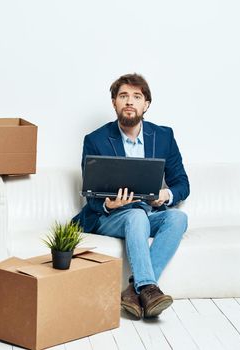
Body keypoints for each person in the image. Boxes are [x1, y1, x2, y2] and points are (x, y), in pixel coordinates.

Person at [72, 73, 189, 319]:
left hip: (149, 213)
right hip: (111, 217)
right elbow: (90, 196)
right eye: (123, 96)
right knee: (135, 214)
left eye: (136, 97)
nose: (129, 101)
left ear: (146, 104)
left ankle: (134, 291)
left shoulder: (164, 136)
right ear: (114, 102)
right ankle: (148, 287)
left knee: (178, 219)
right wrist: (108, 203)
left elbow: (182, 184)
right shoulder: (95, 140)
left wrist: (164, 195)